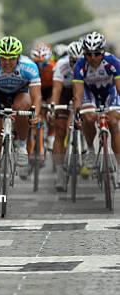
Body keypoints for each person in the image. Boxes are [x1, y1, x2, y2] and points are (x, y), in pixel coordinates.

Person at [0, 36, 42, 174]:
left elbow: (36, 96)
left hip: (20, 93)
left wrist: (35, 114)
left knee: (22, 106)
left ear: (18, 57)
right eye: (3, 58)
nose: (7, 62)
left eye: (11, 58)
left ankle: (22, 145)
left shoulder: (29, 66)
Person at [72, 31, 120, 181]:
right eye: (88, 54)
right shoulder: (80, 65)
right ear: (84, 53)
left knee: (113, 122)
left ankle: (118, 168)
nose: (93, 58)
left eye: (97, 53)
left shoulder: (113, 62)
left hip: (109, 92)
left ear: (103, 52)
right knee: (89, 117)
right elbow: (78, 94)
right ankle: (91, 150)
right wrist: (77, 113)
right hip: (89, 93)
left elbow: (119, 89)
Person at [50, 40, 83, 188]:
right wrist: (53, 108)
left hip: (81, 90)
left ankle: (83, 144)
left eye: (78, 61)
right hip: (64, 91)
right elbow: (56, 91)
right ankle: (59, 175)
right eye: (72, 61)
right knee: (60, 130)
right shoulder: (61, 66)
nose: (75, 65)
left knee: (85, 118)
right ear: (68, 58)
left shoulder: (88, 66)